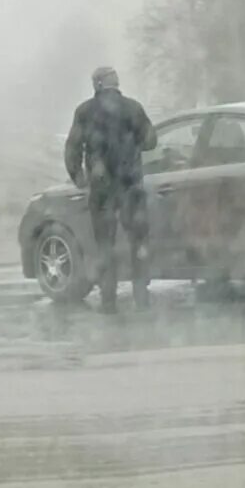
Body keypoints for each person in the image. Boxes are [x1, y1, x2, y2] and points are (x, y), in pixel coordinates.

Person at [64, 66, 156, 312]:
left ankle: (108, 299)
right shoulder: (134, 109)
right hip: (131, 186)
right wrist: (130, 144)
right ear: (116, 83)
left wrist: (80, 177)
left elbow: (72, 149)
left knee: (105, 244)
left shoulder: (84, 112)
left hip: (102, 189)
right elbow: (151, 141)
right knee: (138, 241)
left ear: (97, 85)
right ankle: (141, 295)